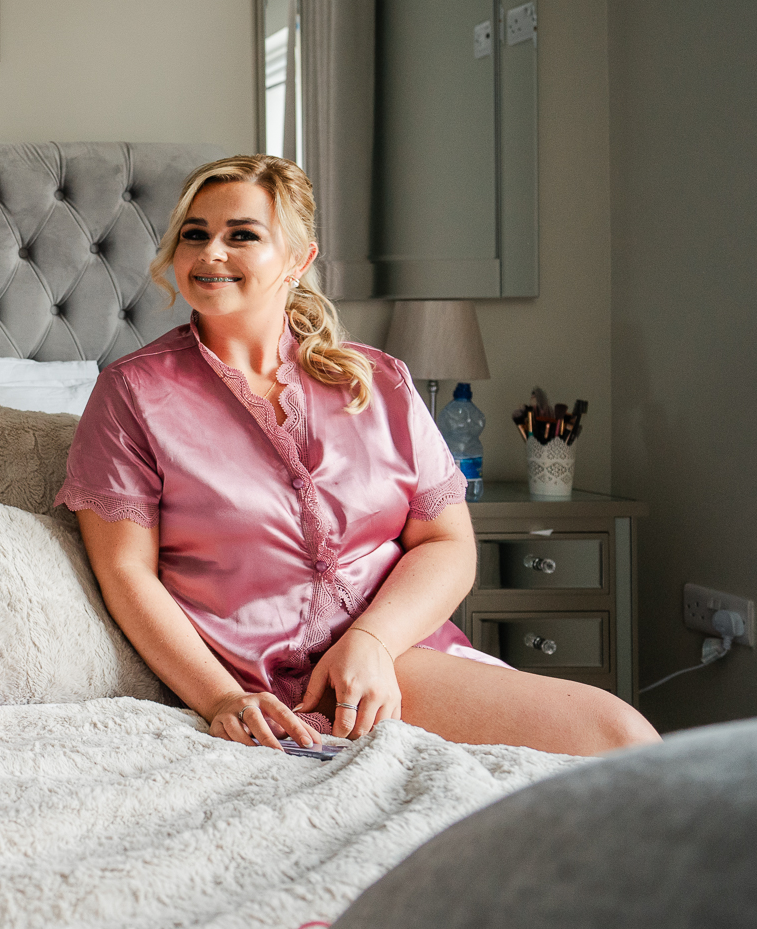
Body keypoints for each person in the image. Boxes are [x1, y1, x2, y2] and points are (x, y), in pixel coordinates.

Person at [58, 154, 657, 757]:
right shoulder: (133, 393)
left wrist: (370, 641)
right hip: (246, 683)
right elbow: (126, 573)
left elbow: (447, 544)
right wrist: (219, 700)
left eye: (241, 234)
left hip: (394, 661)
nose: (211, 252)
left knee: (624, 737)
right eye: (195, 235)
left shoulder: (380, 382)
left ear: (299, 259)